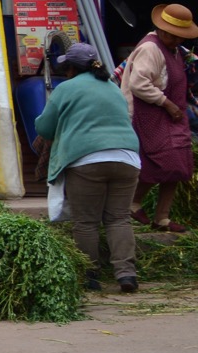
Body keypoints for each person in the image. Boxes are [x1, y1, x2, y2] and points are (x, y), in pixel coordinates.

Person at [35, 43, 142, 293]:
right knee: (119, 218)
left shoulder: (66, 88)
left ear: (70, 68)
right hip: (127, 158)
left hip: (87, 160)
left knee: (86, 222)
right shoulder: (112, 87)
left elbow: (44, 128)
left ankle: (89, 275)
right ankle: (127, 275)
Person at [122, 4, 198, 232]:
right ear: (162, 31)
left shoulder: (174, 50)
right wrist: (167, 103)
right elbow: (139, 84)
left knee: (180, 165)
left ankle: (162, 217)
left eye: (180, 38)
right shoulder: (150, 49)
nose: (178, 42)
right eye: (174, 37)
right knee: (160, 162)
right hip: (151, 115)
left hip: (172, 116)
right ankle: (133, 205)